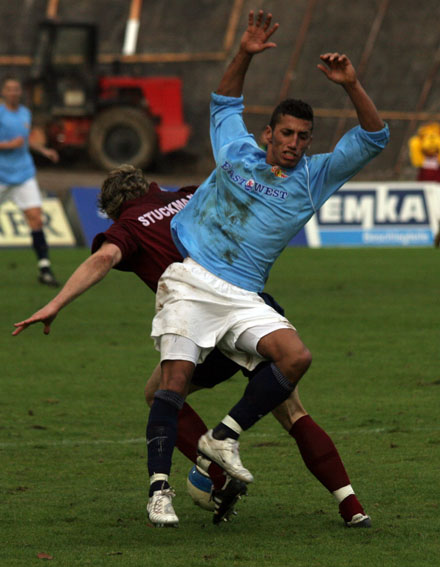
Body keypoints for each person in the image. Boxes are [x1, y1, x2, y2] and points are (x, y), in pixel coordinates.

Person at [13, 165, 371, 528]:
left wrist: (54, 304)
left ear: (113, 209)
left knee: (161, 393)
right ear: (148, 185)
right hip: (245, 306)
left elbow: (104, 258)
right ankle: (351, 505)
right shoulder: (187, 195)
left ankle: (210, 473)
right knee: (292, 412)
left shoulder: (128, 225)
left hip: (200, 325)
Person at [147, 9, 389, 527]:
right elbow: (224, 102)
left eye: (303, 136)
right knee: (167, 386)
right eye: (287, 133)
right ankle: (160, 489)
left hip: (244, 297)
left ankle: (225, 437)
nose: (295, 143)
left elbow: (374, 137)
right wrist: (244, 53)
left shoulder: (316, 176)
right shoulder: (235, 150)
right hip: (193, 281)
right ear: (268, 134)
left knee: (296, 360)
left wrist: (352, 84)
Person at [0, 75, 60, 286]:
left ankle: (44, 269)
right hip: (2, 175)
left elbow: (24, 142)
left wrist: (44, 150)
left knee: (36, 218)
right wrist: (8, 145)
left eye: (16, 89)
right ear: (3, 92)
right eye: (10, 89)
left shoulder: (25, 113)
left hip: (24, 174)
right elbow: (14, 143)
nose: (13, 92)